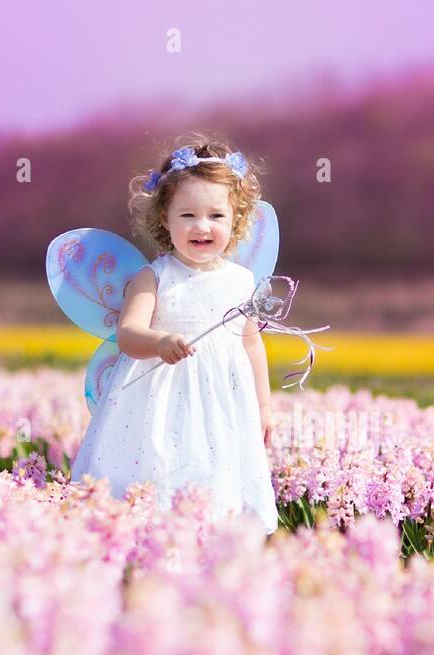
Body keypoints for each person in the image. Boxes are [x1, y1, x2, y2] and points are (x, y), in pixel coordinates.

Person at [69, 136, 279, 536]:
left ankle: (210, 546)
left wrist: (264, 406)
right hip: (158, 402)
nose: (202, 226)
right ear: (164, 217)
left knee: (217, 472)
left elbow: (251, 342)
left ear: (237, 218)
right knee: (160, 469)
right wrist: (159, 342)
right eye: (188, 215)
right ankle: (152, 544)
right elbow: (128, 333)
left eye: (217, 215)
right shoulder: (155, 276)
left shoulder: (241, 281)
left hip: (222, 404)